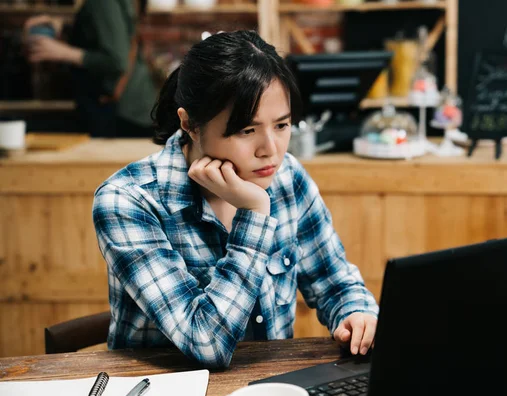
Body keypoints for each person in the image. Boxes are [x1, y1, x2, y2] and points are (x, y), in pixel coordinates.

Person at [92, 30, 379, 367]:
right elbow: (207, 343)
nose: (270, 151)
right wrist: (255, 213)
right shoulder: (128, 201)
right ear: (190, 124)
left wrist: (356, 313)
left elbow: (335, 280)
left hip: (270, 388)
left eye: (282, 125)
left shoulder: (288, 177)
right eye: (247, 130)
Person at [23, 0, 156, 138]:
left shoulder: (102, 3)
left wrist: (62, 52)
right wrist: (66, 27)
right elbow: (107, 36)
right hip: (126, 110)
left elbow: (116, 61)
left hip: (119, 113)